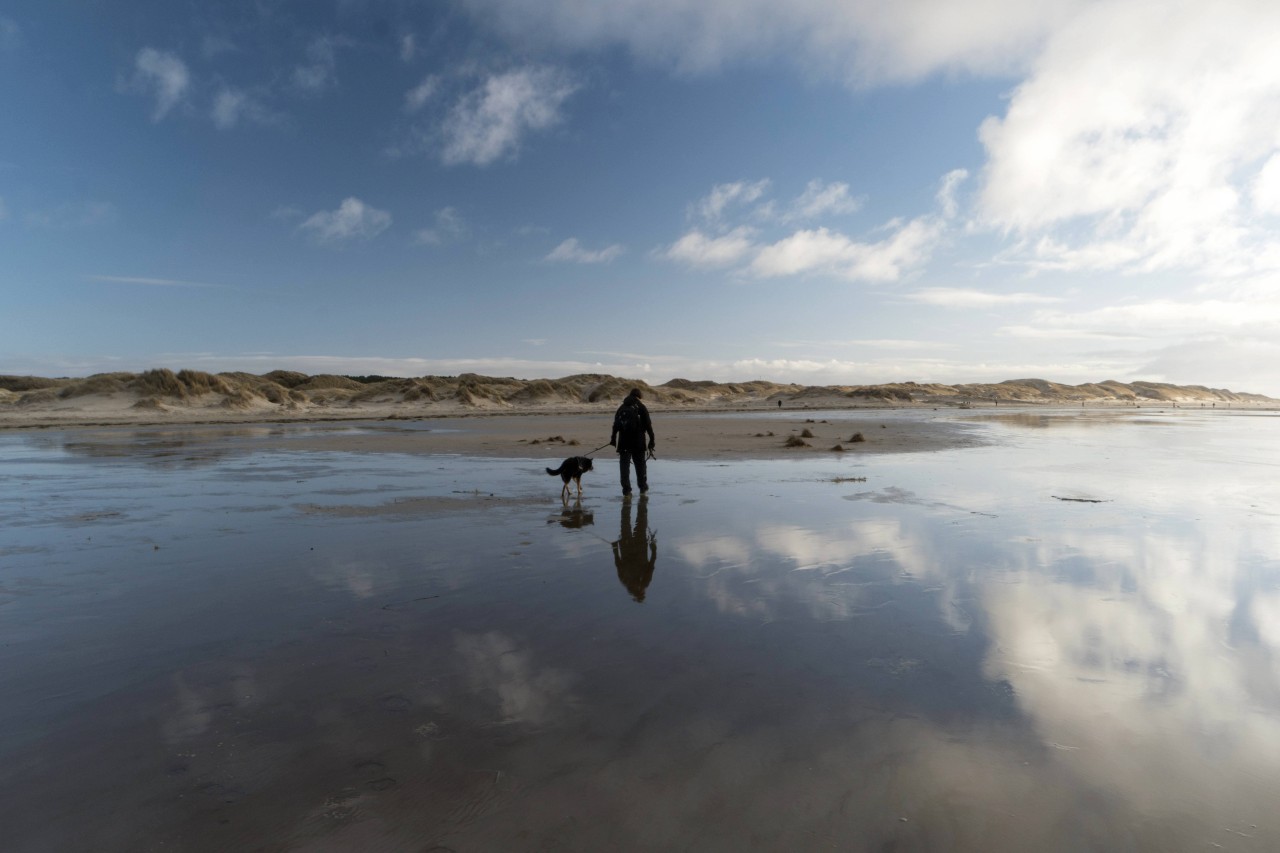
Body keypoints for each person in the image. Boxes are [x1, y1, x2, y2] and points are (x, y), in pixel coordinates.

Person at [609, 388, 655, 496]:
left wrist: (613, 439)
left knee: (624, 467)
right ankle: (643, 488)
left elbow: (615, 425)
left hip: (623, 442)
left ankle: (626, 491)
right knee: (640, 466)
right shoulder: (641, 407)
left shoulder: (622, 407)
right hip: (638, 441)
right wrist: (652, 440)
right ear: (639, 396)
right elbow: (648, 425)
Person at [612, 495, 657, 602]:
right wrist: (653, 549)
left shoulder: (625, 581)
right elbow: (652, 564)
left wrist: (615, 550)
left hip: (627, 547)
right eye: (642, 592)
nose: (642, 589)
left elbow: (618, 564)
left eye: (640, 592)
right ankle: (641, 502)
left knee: (626, 521)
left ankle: (630, 503)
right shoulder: (645, 581)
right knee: (640, 520)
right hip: (640, 546)